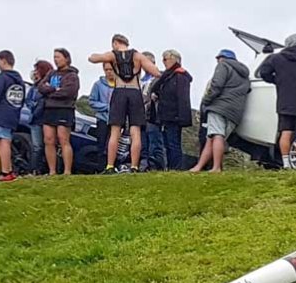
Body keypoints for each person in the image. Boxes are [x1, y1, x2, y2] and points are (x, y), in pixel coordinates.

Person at [88, 34, 157, 173]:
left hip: (119, 92)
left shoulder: (112, 55)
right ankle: (134, 166)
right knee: (135, 131)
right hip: (134, 92)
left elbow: (93, 58)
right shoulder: (138, 56)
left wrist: (99, 56)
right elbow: (155, 71)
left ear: (115, 43)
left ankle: (110, 166)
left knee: (115, 131)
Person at [256, 34, 296, 169]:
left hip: (284, 101)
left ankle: (286, 163)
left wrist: (276, 80)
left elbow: (264, 73)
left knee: (285, 132)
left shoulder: (276, 59)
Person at [190, 48, 249, 173]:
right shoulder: (244, 75)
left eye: (217, 58)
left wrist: (206, 101)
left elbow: (216, 85)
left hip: (219, 107)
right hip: (235, 111)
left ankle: (216, 167)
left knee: (216, 135)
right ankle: (199, 167)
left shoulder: (223, 66)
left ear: (221, 58)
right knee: (212, 138)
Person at [147, 50, 193, 171]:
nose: (163, 62)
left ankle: (176, 168)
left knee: (173, 143)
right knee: (167, 143)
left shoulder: (180, 75)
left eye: (165, 59)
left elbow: (183, 98)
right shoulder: (168, 76)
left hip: (174, 116)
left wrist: (182, 118)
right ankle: (171, 167)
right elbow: (155, 88)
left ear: (174, 59)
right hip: (166, 115)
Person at [39, 48, 80, 176]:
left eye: (58, 57)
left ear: (66, 58)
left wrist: (51, 92)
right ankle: (52, 171)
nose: (56, 60)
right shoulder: (51, 74)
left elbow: (68, 92)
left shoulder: (72, 76)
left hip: (64, 110)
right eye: (54, 57)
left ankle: (67, 171)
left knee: (63, 139)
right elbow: (41, 86)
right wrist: (53, 89)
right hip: (49, 109)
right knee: (48, 139)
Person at [0, 51, 26, 182]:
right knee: (5, 140)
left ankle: (6, 171)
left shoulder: (2, 77)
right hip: (12, 113)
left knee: (1, 141)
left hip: (0, 114)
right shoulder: (19, 80)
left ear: (3, 61)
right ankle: (8, 170)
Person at [22, 61, 48, 175]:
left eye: (37, 70)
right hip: (34, 120)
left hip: (42, 119)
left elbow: (42, 103)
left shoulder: (45, 86)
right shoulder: (33, 87)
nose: (35, 73)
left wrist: (35, 109)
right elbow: (28, 100)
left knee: (41, 146)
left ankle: (37, 169)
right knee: (36, 146)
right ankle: (34, 170)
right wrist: (32, 105)